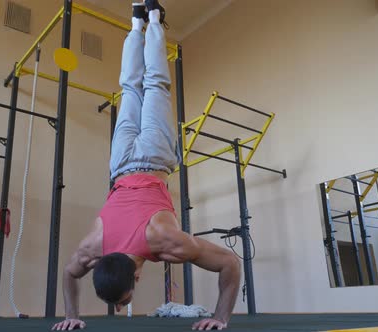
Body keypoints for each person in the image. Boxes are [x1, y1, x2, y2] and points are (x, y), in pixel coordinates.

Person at [52, 1, 240, 330]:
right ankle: (137, 23)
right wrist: (70, 316)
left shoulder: (166, 241)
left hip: (152, 158)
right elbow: (69, 272)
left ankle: (153, 17)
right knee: (130, 88)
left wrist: (220, 319)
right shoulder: (92, 247)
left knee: (154, 85)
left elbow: (230, 262)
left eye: (125, 298)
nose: (126, 301)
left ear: (137, 275)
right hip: (120, 163)